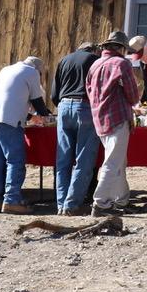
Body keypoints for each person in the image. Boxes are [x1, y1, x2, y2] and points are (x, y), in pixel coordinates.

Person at [0, 57, 51, 214]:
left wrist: (29, 117)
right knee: (15, 160)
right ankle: (12, 200)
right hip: (9, 122)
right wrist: (47, 115)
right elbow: (37, 101)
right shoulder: (32, 72)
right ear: (39, 71)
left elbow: (9, 100)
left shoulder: (6, 70)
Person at [88, 31, 140, 216]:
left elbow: (89, 90)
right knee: (112, 162)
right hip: (117, 117)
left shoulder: (95, 64)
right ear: (120, 48)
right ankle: (101, 202)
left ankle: (121, 200)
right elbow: (133, 94)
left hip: (99, 118)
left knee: (118, 161)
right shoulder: (122, 63)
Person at [51, 41, 99, 215]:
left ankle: (60, 203)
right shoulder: (95, 60)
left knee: (63, 159)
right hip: (85, 106)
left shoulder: (64, 60)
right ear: (93, 50)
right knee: (83, 159)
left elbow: (54, 94)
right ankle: (71, 204)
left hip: (63, 107)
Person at [127, 35, 147, 104]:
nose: (141, 59)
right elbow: (144, 83)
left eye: (141, 55)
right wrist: (143, 102)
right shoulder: (143, 62)